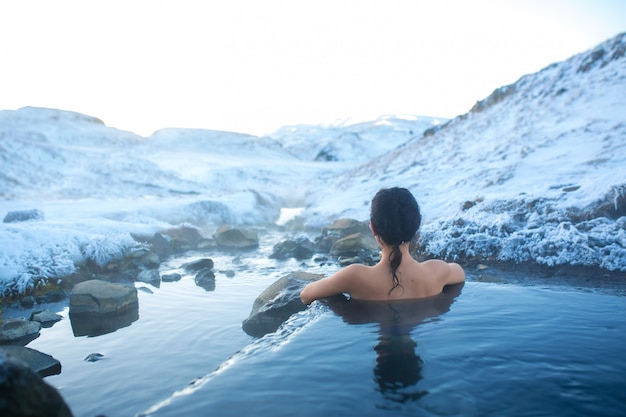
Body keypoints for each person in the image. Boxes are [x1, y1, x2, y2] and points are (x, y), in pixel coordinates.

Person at [300, 187, 465, 304]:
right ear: (416, 226)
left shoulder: (355, 276)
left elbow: (306, 295)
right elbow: (460, 273)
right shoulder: (437, 271)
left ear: (372, 227)